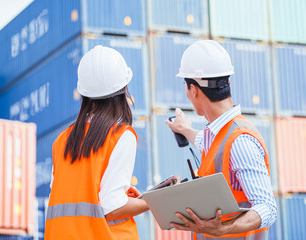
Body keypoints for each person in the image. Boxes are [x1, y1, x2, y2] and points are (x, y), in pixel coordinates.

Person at [166, 40, 277, 239]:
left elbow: (268, 208)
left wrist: (223, 229)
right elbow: (209, 146)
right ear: (229, 84)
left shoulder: (240, 141)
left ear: (194, 90)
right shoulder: (219, 134)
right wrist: (185, 130)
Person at [44, 45, 149, 240]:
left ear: (84, 94)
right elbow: (112, 205)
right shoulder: (121, 135)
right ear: (123, 89)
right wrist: (152, 201)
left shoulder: (62, 140)